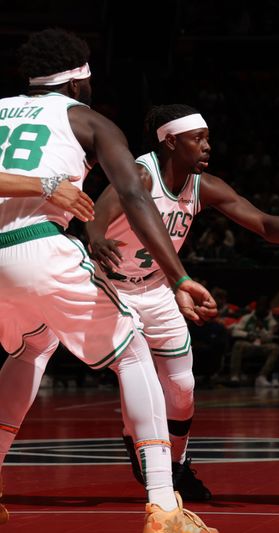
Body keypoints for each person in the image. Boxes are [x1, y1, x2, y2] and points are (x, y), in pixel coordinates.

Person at [0, 29, 217, 531]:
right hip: (38, 244)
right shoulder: (90, 120)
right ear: (79, 79)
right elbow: (137, 200)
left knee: (30, 350)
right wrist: (180, 276)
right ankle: (164, 504)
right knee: (133, 352)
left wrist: (41, 184)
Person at [81, 104, 279, 499]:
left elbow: (259, 222)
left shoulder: (202, 185)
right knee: (138, 373)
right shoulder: (140, 173)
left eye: (207, 138)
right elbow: (96, 213)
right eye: (198, 139)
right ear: (170, 141)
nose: (208, 146)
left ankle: (179, 464)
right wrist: (96, 235)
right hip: (112, 286)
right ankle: (140, 448)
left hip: (157, 287)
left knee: (183, 386)